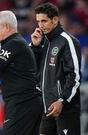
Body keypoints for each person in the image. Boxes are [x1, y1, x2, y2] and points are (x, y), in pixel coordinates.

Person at [30, 3, 81, 135]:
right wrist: (35, 47)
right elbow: (33, 71)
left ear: (55, 20)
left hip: (65, 110)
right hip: (47, 109)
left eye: (44, 21)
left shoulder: (68, 41)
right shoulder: (43, 42)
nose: (40, 25)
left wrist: (62, 101)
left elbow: (74, 76)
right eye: (38, 21)